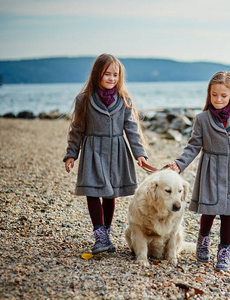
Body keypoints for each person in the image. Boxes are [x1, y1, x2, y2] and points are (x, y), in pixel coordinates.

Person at [168, 71, 230, 271]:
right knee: (208, 212)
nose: (218, 99)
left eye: (223, 96)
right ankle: (203, 240)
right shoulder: (202, 119)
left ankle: (224, 252)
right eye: (214, 95)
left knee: (228, 214)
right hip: (209, 171)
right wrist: (179, 164)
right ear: (209, 94)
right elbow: (193, 146)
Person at [63, 53, 148, 255]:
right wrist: (71, 154)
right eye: (106, 74)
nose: (111, 78)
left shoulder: (124, 100)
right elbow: (77, 128)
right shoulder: (84, 100)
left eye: (115, 75)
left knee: (111, 193)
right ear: (97, 75)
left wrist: (139, 153)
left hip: (117, 152)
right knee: (93, 191)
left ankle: (106, 233)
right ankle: (99, 233)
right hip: (93, 151)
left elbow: (132, 128)